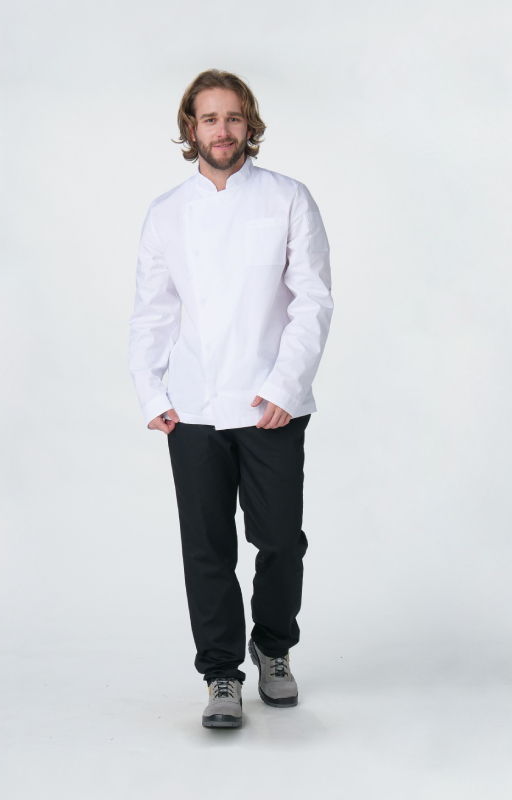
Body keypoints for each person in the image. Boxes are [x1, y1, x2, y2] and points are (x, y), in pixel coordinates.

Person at [127, 69, 333, 728]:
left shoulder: (288, 198)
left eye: (234, 117)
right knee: (207, 546)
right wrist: (151, 390)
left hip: (272, 403)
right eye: (210, 119)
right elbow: (153, 312)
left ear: (250, 125)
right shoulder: (166, 213)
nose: (223, 130)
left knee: (280, 541)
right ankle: (221, 672)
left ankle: (273, 647)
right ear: (191, 128)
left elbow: (313, 302)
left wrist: (285, 386)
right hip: (193, 404)